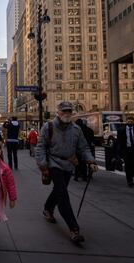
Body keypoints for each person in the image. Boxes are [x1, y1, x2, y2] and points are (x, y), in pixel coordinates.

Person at [35, 101, 98, 243]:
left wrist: (91, 161)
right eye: (64, 111)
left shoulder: (76, 129)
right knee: (62, 194)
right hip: (53, 163)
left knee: (59, 190)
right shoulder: (48, 126)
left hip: (69, 164)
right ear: (58, 112)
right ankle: (74, 229)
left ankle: (48, 208)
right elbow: (40, 147)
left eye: (69, 111)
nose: (67, 113)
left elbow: (84, 148)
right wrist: (43, 166)